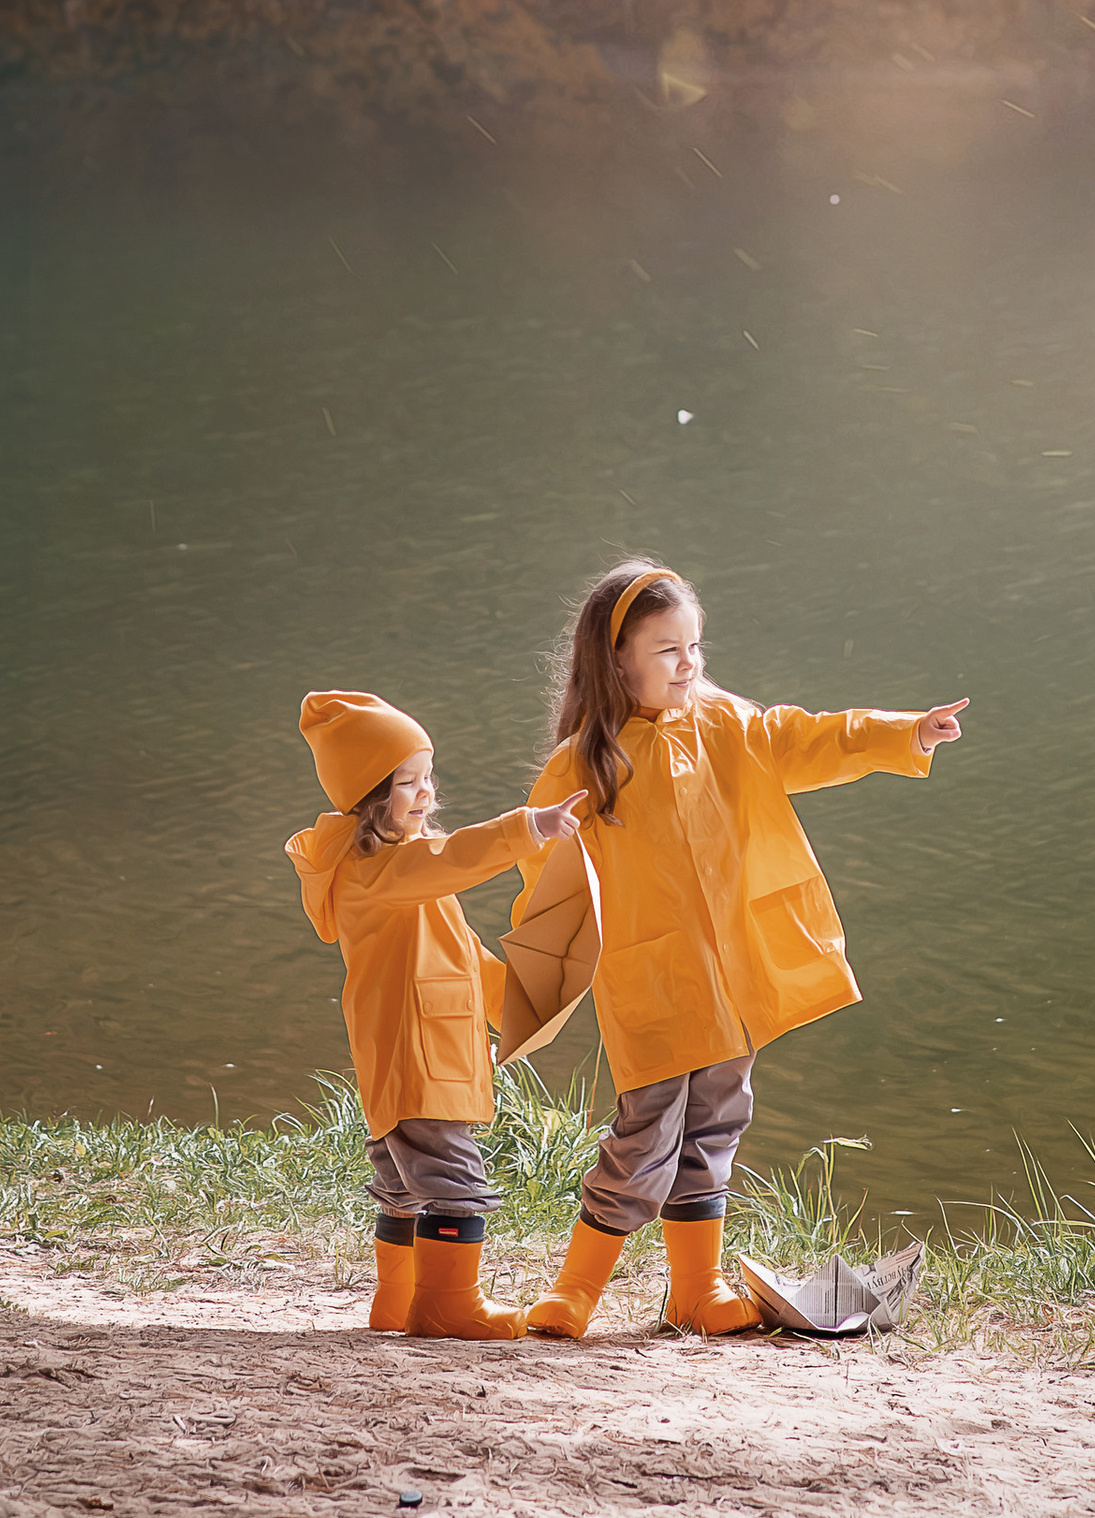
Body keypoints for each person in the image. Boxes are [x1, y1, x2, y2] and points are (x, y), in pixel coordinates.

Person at [513, 563, 965, 1340]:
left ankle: (696, 1289)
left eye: (696, 645)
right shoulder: (587, 764)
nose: (690, 663)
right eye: (668, 650)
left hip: (731, 973)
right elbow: (547, 878)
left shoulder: (728, 724)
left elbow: (810, 736)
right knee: (646, 1131)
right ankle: (575, 1291)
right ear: (616, 660)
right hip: (650, 976)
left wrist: (904, 732)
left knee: (716, 1123)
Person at [288, 689, 587, 1341]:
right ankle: (448, 1303)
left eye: (428, 777)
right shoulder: (378, 872)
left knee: (400, 1184)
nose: (425, 793)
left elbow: (460, 951)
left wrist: (520, 999)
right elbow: (451, 859)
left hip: (407, 1056)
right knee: (453, 1181)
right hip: (417, 1056)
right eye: (406, 784)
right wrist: (528, 828)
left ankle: (396, 1302)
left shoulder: (394, 870)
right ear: (369, 799)